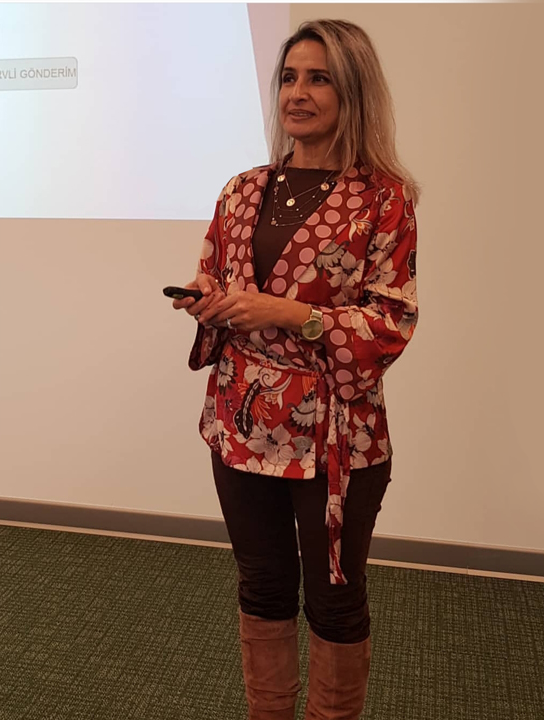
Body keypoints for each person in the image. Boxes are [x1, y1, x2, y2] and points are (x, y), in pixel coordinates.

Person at [172, 19, 419, 720]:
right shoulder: (242, 189)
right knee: (263, 587)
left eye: (319, 79)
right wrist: (209, 301)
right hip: (242, 423)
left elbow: (391, 320)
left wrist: (288, 313)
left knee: (335, 599)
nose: (298, 93)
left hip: (337, 435)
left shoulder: (384, 199)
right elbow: (220, 281)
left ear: (353, 91)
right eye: (288, 77)